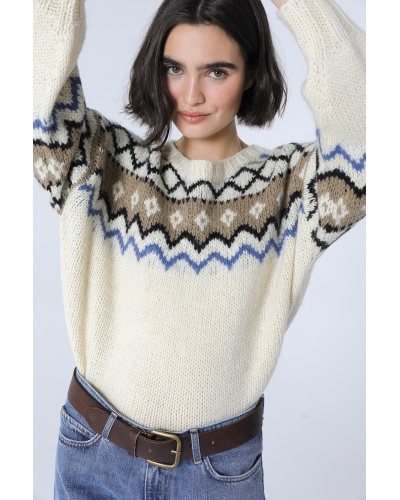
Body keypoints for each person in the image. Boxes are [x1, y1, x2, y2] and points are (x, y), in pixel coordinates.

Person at [33, 0, 366, 498]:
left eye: (216, 71)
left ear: (252, 72)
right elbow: (33, 81)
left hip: (217, 475)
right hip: (94, 457)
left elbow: (372, 118)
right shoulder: (101, 162)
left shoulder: (292, 190)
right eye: (174, 68)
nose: (190, 94)